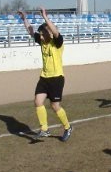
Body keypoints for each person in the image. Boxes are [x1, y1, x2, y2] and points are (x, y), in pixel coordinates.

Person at [19, 7, 72, 142]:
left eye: (42, 34)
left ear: (48, 33)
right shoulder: (42, 42)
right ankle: (44, 129)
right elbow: (30, 31)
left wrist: (45, 17)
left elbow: (55, 31)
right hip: (44, 78)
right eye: (40, 35)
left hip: (56, 79)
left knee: (55, 106)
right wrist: (25, 18)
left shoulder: (57, 43)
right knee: (38, 102)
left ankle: (67, 127)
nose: (40, 37)